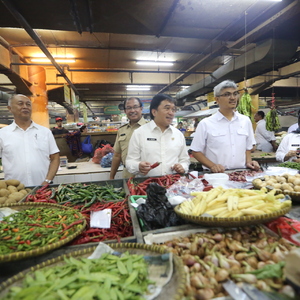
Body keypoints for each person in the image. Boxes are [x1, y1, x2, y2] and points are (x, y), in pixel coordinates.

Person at [190, 80, 260, 173]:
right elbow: (196, 151)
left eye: (235, 94)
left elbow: (248, 147)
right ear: (217, 99)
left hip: (241, 173)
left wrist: (249, 162)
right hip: (216, 175)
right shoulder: (206, 123)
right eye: (227, 94)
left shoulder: (245, 121)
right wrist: (213, 166)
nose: (233, 98)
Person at [0, 94, 60, 186]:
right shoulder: (2, 134)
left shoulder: (45, 132)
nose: (25, 107)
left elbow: (55, 158)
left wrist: (47, 181)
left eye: (28, 104)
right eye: (20, 104)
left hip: (43, 190)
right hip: (14, 191)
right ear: (10, 108)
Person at [126, 94, 190, 177]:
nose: (171, 113)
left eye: (173, 109)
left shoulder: (178, 135)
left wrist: (183, 167)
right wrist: (138, 166)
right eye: (167, 108)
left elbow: (184, 160)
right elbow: (130, 161)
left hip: (173, 185)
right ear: (154, 112)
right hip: (147, 185)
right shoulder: (139, 133)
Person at [109, 97, 147, 179]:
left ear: (141, 109)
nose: (132, 110)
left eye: (135, 107)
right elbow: (117, 156)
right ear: (125, 111)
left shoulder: (151, 128)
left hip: (147, 174)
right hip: (128, 174)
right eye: (129, 108)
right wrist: (112, 177)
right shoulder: (121, 130)